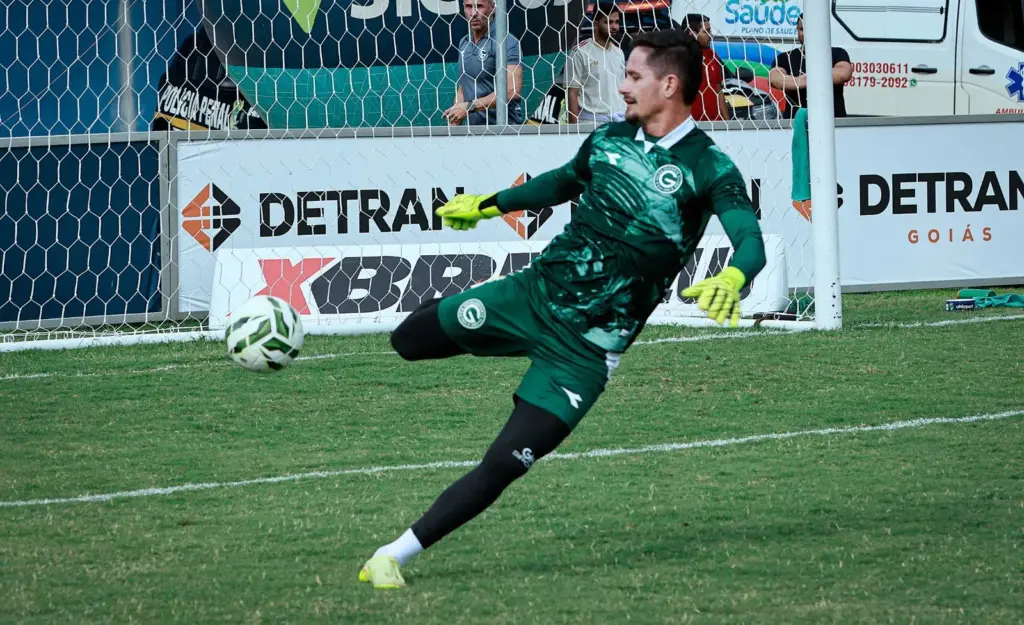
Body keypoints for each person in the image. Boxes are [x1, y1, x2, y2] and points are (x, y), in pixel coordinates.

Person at [359, 28, 766, 589]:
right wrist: (488, 204)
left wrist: (735, 274)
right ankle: (469, 317)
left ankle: (392, 556)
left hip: (584, 354)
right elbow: (561, 183)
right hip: (531, 298)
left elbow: (751, 238)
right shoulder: (608, 140)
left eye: (633, 76)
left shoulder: (708, 167)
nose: (622, 87)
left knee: (503, 464)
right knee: (408, 341)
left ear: (669, 84)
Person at [442, 0, 524, 126]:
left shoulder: (506, 41)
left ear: (493, 7)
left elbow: (512, 90)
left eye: (479, 6)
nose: (473, 13)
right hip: (475, 132)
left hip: (505, 132)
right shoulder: (464, 43)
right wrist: (455, 121)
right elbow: (464, 86)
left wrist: (470, 107)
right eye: (469, 7)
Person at [768, 13, 853, 118]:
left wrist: (799, 80)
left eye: (811, 29)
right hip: (796, 123)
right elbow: (775, 79)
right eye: (802, 29)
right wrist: (819, 79)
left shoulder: (837, 53)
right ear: (797, 30)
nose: (805, 33)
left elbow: (843, 74)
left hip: (833, 121)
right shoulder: (785, 58)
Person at [566, 1, 626, 123]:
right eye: (608, 22)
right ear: (596, 24)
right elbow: (572, 92)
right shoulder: (580, 52)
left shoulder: (619, 52)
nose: (614, 26)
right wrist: (572, 129)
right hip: (592, 121)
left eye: (616, 22)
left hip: (619, 121)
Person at [683, 13, 729, 122]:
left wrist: (727, 122)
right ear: (692, 33)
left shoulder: (712, 55)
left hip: (715, 122)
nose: (710, 35)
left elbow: (718, 90)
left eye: (710, 31)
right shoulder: (680, 57)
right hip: (691, 123)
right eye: (706, 31)